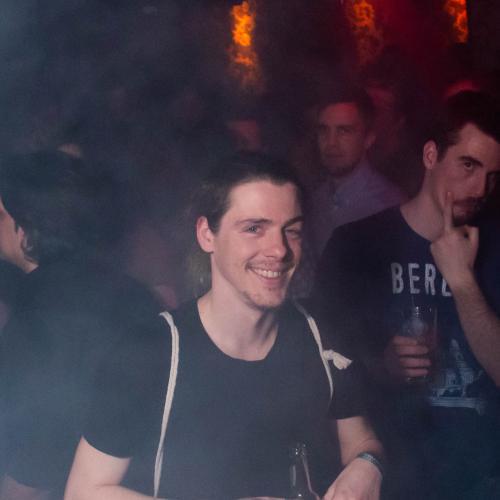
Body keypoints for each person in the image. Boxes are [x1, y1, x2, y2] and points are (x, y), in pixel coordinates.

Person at [65, 152, 383, 499]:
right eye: (254, 229)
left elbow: (361, 441)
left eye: (291, 231)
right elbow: (84, 491)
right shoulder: (151, 353)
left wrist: (368, 464)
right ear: (207, 235)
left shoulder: (322, 335)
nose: (279, 250)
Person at [313, 90, 500, 500]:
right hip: (394, 478)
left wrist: (462, 282)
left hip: (483, 481)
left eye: (492, 175)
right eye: (468, 165)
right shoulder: (357, 245)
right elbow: (321, 369)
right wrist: (381, 366)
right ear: (431, 155)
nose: (479, 187)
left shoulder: (495, 246)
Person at [0, 151, 160, 500]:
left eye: (1, 214)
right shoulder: (131, 291)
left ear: (26, 227)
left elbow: (37, 460)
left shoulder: (43, 310)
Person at [292, 87, 404, 298]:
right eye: (324, 131)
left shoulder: (390, 205)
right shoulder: (314, 200)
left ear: (368, 138)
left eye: (344, 131)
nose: (331, 143)